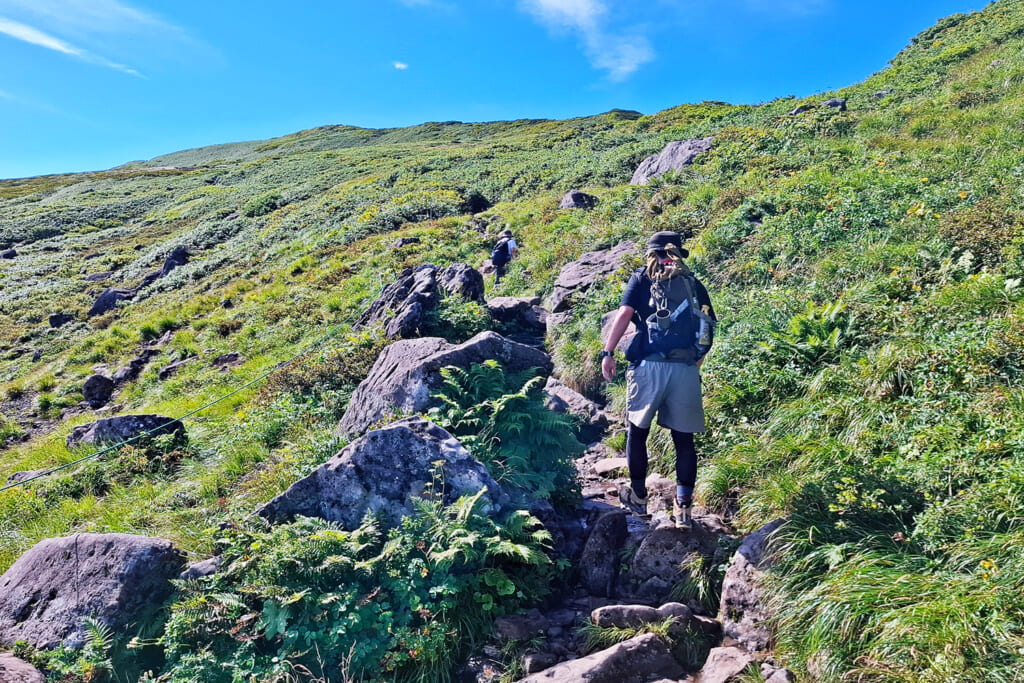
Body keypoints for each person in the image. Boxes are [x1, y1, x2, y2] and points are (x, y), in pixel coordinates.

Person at [600, 231, 716, 530]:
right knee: (684, 440)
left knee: (637, 431)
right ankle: (684, 508)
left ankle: (639, 498)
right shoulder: (692, 283)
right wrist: (694, 363)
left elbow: (625, 313)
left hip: (649, 367)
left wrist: (608, 352)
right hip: (685, 368)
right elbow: (708, 327)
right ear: (678, 253)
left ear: (650, 254)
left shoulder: (642, 278)